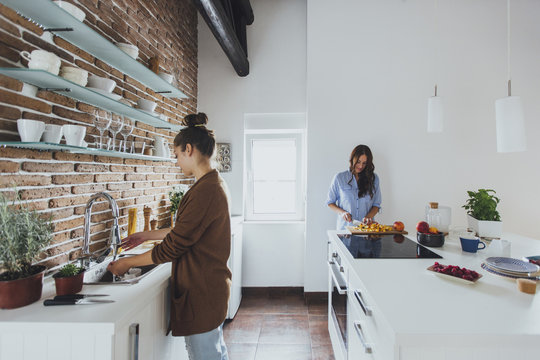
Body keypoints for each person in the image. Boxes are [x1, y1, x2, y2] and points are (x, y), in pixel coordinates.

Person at [107, 113, 231, 360]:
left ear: (188, 149)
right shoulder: (210, 183)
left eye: (176, 155)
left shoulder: (206, 190)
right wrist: (146, 235)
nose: (176, 162)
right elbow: (186, 229)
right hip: (209, 288)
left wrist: (126, 262)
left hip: (202, 292)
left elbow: (172, 248)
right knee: (215, 353)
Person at [326, 144, 381, 230]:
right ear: (352, 159)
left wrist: (369, 217)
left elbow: (376, 204)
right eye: (358, 162)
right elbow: (330, 202)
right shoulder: (339, 178)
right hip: (345, 230)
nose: (360, 166)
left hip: (366, 231)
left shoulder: (374, 179)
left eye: (364, 163)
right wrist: (342, 213)